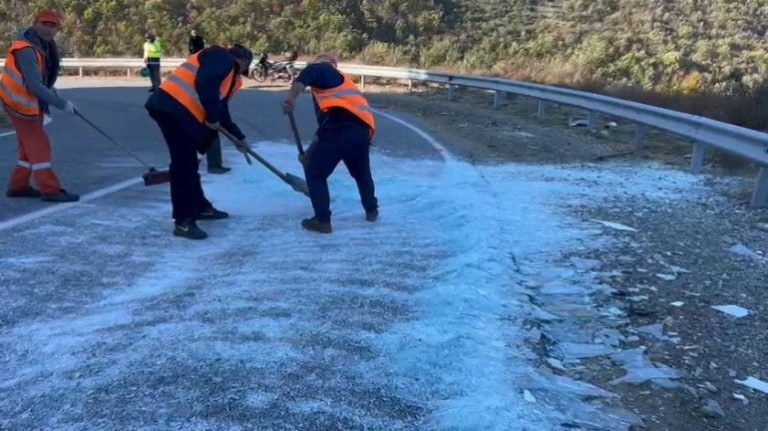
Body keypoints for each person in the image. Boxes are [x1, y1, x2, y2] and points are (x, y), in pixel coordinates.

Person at [145, 44, 253, 240]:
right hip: (173, 110)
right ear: (242, 61)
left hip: (175, 111)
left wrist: (239, 137)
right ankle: (183, 221)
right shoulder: (222, 58)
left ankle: (201, 208)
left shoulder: (223, 67)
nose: (242, 74)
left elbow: (221, 109)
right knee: (183, 166)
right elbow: (206, 82)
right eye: (245, 69)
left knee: (188, 164)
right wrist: (212, 117)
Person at [281, 54, 378, 234]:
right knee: (362, 174)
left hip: (341, 131)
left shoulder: (323, 69)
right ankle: (371, 210)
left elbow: (306, 75)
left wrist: (291, 100)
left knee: (315, 174)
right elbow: (323, 132)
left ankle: (322, 221)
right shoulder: (339, 89)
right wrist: (309, 154)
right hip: (361, 134)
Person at [0, 10, 79, 202]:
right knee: (39, 146)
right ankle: (51, 190)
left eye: (53, 26)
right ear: (35, 23)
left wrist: (52, 92)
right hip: (19, 103)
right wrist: (62, 104)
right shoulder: (26, 49)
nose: (49, 29)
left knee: (28, 148)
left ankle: (17, 186)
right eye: (45, 24)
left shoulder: (42, 45)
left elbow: (42, 78)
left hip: (26, 102)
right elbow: (34, 85)